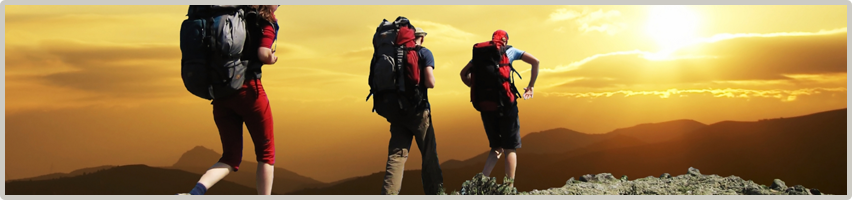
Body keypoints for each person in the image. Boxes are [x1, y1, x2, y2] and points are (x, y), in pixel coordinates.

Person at [178, 5, 280, 195]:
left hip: (221, 92)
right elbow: (263, 54)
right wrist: (272, 58)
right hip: (250, 92)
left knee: (230, 157)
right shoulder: (266, 22)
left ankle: (195, 193)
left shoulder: (231, 16)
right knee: (266, 155)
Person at [459, 29, 539, 187]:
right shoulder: (510, 51)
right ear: (506, 41)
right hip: (506, 105)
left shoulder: (481, 55)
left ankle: (480, 184)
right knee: (510, 148)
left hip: (485, 105)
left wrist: (475, 87)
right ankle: (508, 188)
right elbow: (535, 61)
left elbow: (463, 74)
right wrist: (530, 86)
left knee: (496, 147)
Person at [381, 27, 444, 195]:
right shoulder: (424, 53)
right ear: (421, 38)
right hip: (419, 112)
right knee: (429, 154)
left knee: (396, 157)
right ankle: (435, 193)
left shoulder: (393, 54)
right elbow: (430, 82)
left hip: (397, 112)